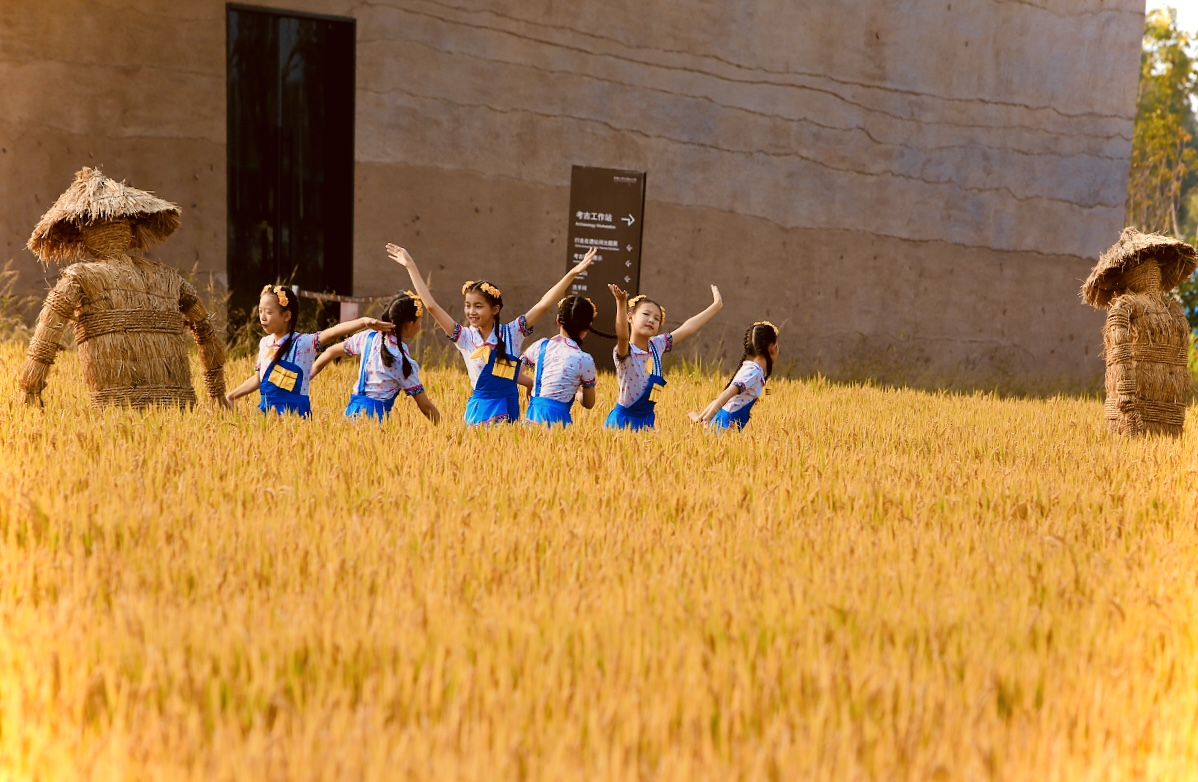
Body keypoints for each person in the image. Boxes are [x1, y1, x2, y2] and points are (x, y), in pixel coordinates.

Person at [387, 243, 596, 425]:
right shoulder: (465, 337)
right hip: (479, 415)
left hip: (509, 413)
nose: (471, 312)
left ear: (495, 309)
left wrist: (572, 274)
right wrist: (411, 266)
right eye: (468, 305)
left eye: (478, 306)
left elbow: (543, 304)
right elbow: (432, 306)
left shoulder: (513, 332)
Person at [225, 284, 392, 416]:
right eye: (260, 311)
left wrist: (363, 322)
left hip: (295, 414)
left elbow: (333, 332)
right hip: (266, 411)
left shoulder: (303, 343)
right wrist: (232, 395)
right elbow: (258, 379)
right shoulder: (264, 343)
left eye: (268, 312)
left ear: (287, 316)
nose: (262, 317)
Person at [604, 284, 723, 430]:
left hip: (647, 421)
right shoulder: (626, 351)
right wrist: (621, 303)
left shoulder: (657, 345)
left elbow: (688, 328)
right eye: (646, 314)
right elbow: (622, 336)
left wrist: (716, 306)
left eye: (656, 318)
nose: (651, 320)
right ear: (630, 317)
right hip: (622, 422)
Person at [311, 291, 441, 423]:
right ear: (409, 324)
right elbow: (426, 407)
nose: (421, 325)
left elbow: (330, 351)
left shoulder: (367, 337)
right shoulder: (402, 360)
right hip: (375, 420)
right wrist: (445, 429)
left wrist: (308, 376)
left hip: (351, 413)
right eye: (420, 321)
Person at [520, 295, 610, 426]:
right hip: (560, 425)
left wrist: (530, 383)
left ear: (558, 320)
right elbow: (589, 403)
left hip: (531, 420)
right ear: (588, 327)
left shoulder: (541, 346)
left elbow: (513, 372)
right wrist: (577, 393)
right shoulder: (584, 360)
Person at [689, 321, 778, 430]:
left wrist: (700, 417)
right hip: (726, 423)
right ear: (773, 349)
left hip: (727, 421)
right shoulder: (754, 372)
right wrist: (708, 417)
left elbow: (722, 398)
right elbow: (729, 392)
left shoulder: (750, 368)